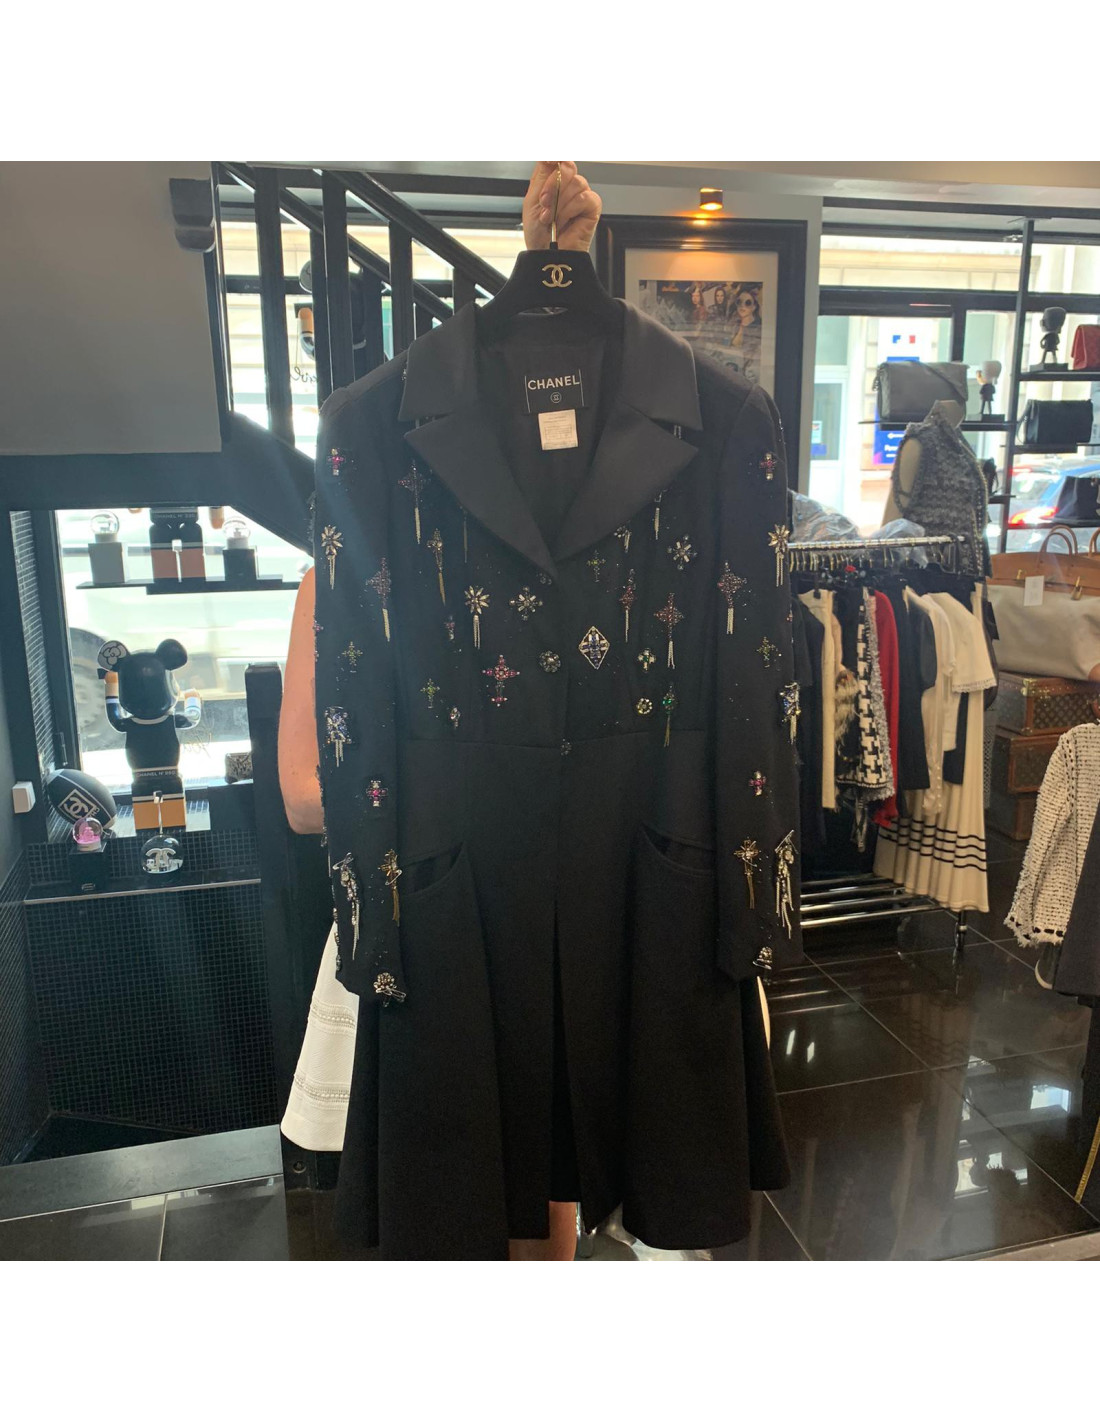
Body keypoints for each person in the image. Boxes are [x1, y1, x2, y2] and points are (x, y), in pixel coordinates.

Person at [278, 162, 602, 1262]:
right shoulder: (341, 578)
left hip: (548, 919)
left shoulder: (559, 569)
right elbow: (304, 794)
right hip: (424, 929)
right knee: (452, 1207)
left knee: (547, 1191)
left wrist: (558, 272)